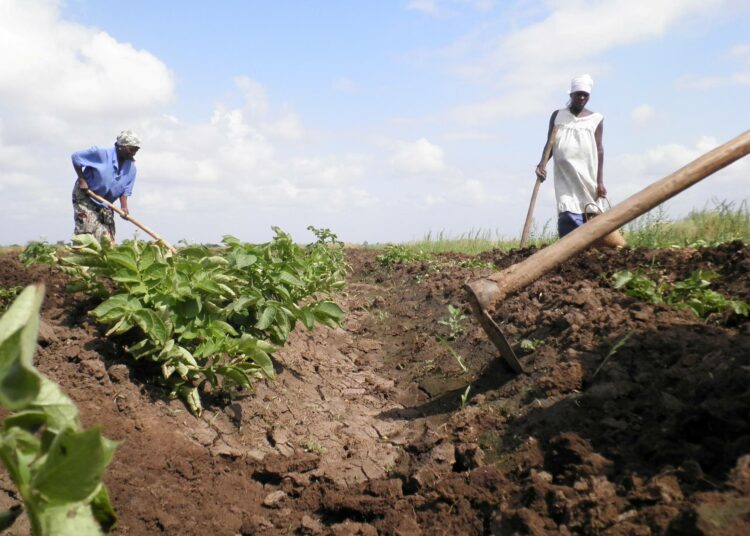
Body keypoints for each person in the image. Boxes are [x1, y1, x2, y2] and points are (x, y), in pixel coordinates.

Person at [535, 74, 605, 238]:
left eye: (585, 95)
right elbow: (550, 144)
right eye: (578, 94)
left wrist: (600, 181)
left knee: (590, 211)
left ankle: (588, 250)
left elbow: (600, 149)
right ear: (571, 95)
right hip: (565, 174)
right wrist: (541, 165)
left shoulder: (596, 119)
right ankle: (567, 250)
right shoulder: (558, 116)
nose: (581, 98)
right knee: (568, 212)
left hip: (587, 174)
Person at [71, 130, 141, 241]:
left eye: (136, 150)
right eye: (131, 149)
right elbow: (76, 157)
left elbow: (125, 191)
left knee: (107, 237)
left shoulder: (131, 169)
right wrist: (81, 179)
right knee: (87, 231)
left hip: (106, 203)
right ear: (120, 146)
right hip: (86, 195)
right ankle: (83, 255)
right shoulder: (101, 154)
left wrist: (124, 207)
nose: (133, 153)